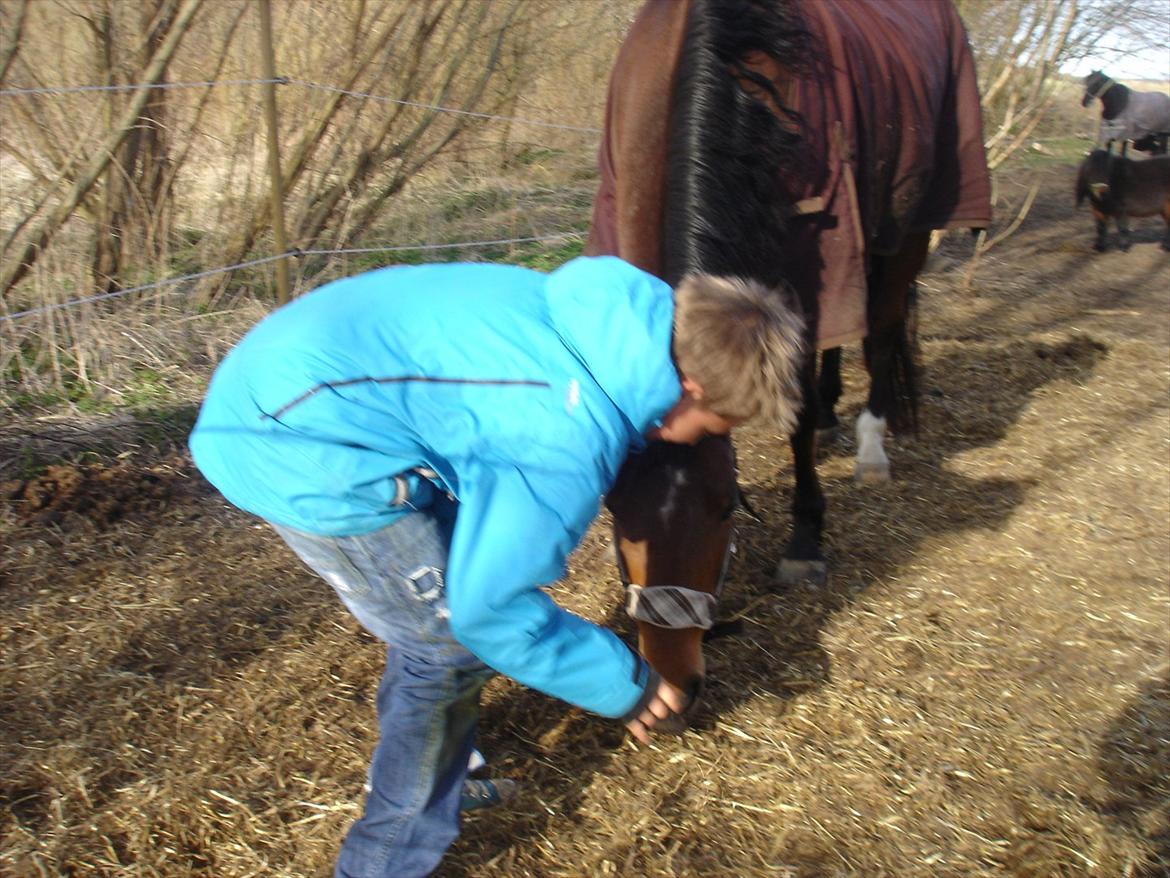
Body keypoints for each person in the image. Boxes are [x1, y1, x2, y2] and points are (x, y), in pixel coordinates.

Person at [188, 255, 805, 878]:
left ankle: (441, 770)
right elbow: (491, 612)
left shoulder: (606, 322)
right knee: (447, 644)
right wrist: (627, 684)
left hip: (291, 382)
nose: (699, 439)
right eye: (715, 424)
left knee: (433, 610)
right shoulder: (563, 433)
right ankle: (383, 860)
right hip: (292, 446)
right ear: (692, 386)